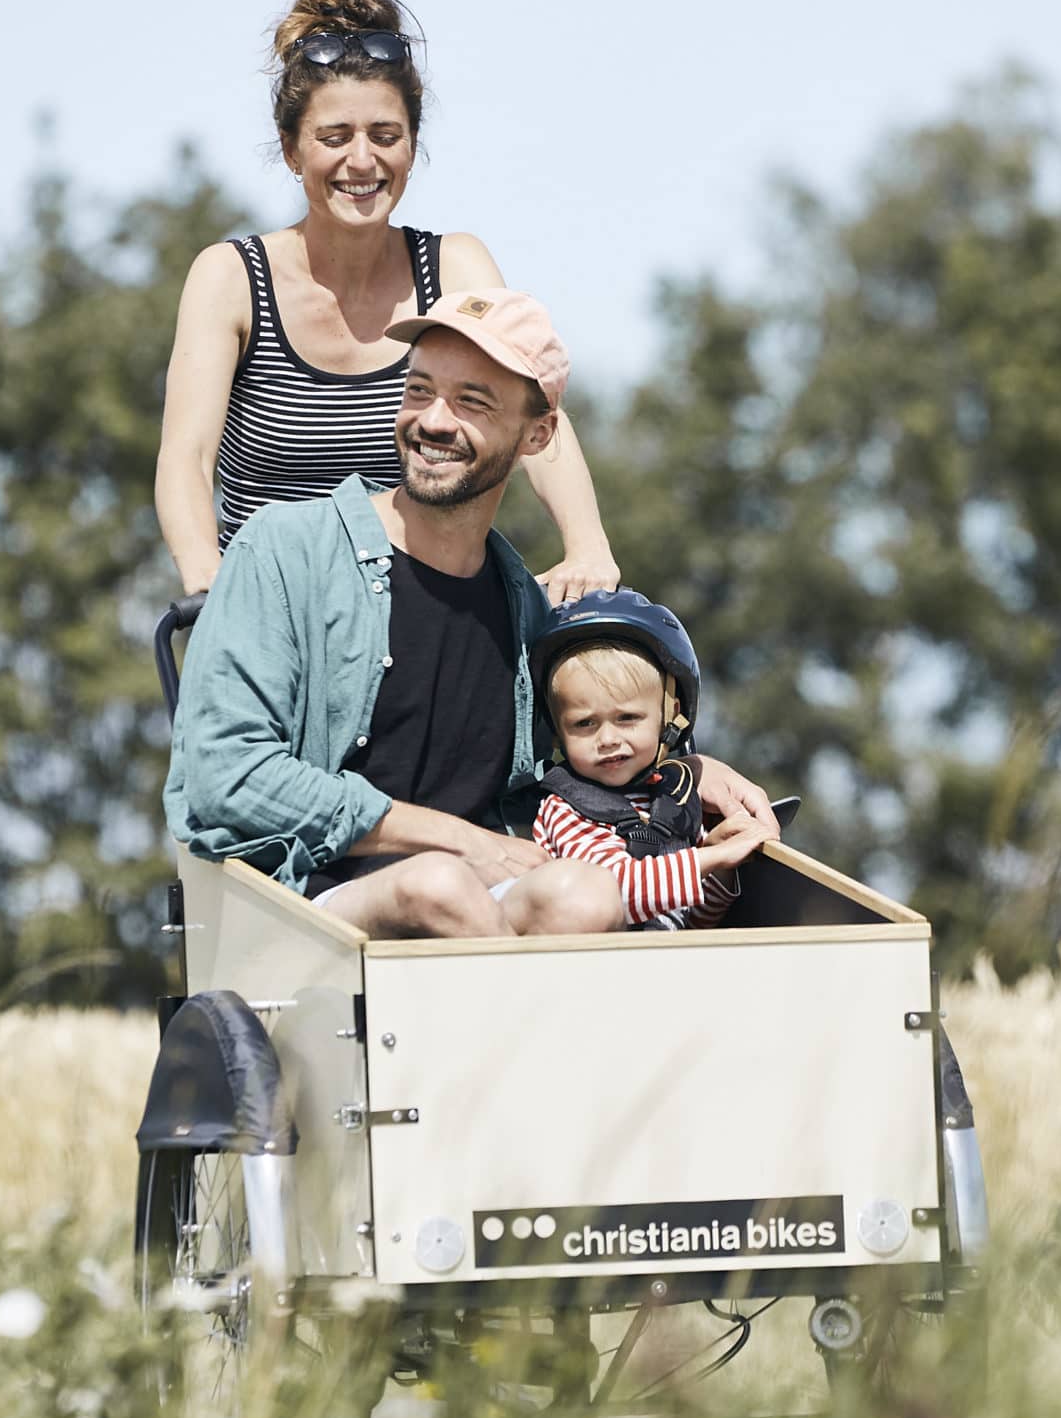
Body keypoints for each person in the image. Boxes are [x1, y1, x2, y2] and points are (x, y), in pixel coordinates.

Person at [165, 289, 778, 939]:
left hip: (480, 913)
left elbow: (577, 766)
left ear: (536, 434)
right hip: (306, 910)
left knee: (582, 892)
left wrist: (687, 769)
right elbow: (221, 775)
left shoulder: (526, 613)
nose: (434, 420)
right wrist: (456, 840)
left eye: (472, 402)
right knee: (439, 882)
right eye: (420, 390)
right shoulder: (285, 550)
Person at [152, 0, 619, 605]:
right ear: (292, 150)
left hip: (423, 615)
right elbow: (186, 457)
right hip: (273, 612)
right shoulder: (231, 277)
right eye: (335, 137)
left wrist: (588, 546)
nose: (363, 161)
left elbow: (532, 418)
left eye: (385, 135)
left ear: (413, 145)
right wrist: (209, 583)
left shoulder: (453, 266)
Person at [529, 592, 767, 930]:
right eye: (585, 723)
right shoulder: (564, 811)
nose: (608, 739)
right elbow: (614, 892)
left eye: (627, 718)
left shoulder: (674, 802)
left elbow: (694, 923)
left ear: (670, 717)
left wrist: (723, 867)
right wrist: (709, 858)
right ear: (557, 732)